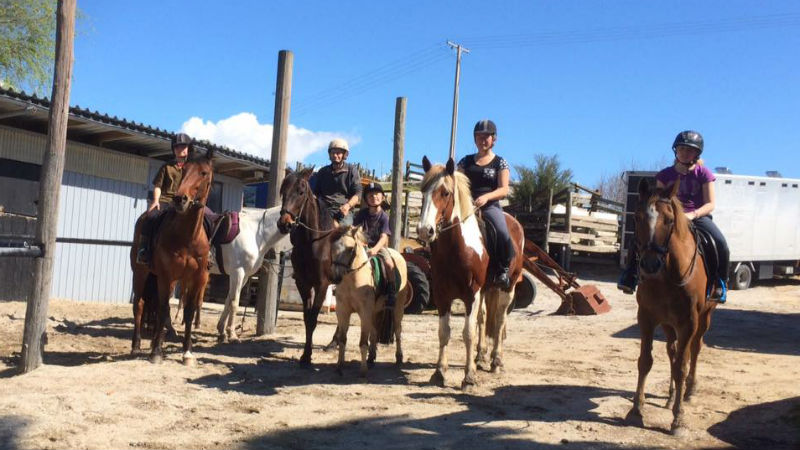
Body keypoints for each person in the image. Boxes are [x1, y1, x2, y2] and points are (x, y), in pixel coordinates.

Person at [617, 130, 730, 302]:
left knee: (720, 243)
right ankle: (630, 276)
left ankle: (719, 282)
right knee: (639, 238)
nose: (685, 153)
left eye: (690, 150)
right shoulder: (664, 175)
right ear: (675, 151)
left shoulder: (704, 174)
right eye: (681, 149)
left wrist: (692, 214)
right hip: (668, 218)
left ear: (696, 153)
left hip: (697, 217)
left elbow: (710, 204)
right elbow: (659, 200)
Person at [457, 119, 515, 289]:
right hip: (466, 205)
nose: (482, 140)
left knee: (503, 232)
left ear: (494, 139)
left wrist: (487, 197)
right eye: (479, 136)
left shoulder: (500, 162)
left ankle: (502, 270)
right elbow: (456, 183)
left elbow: (504, 189)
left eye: (486, 137)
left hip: (489, 205)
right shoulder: (465, 162)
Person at [136, 132, 193, 264]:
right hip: (167, 201)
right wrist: (156, 201)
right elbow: (157, 186)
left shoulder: (191, 168)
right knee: (150, 217)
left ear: (188, 148)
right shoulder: (167, 167)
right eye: (178, 147)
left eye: (184, 146)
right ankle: (143, 250)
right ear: (174, 149)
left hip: (186, 203)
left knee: (206, 217)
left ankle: (208, 252)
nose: (181, 149)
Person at [353, 182, 396, 307]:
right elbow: (355, 229)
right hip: (362, 246)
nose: (374, 197)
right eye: (370, 195)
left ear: (382, 197)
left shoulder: (384, 217)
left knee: (389, 263)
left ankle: (391, 290)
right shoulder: (361, 214)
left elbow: (384, 237)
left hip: (378, 247)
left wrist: (375, 250)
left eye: (377, 194)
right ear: (366, 199)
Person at [311, 138, 362, 226]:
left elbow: (358, 194)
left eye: (338, 153)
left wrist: (348, 206)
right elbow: (315, 193)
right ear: (329, 155)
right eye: (333, 153)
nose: (335, 155)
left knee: (344, 233)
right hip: (324, 210)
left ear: (344, 155)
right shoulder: (323, 172)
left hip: (343, 210)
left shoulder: (351, 170)